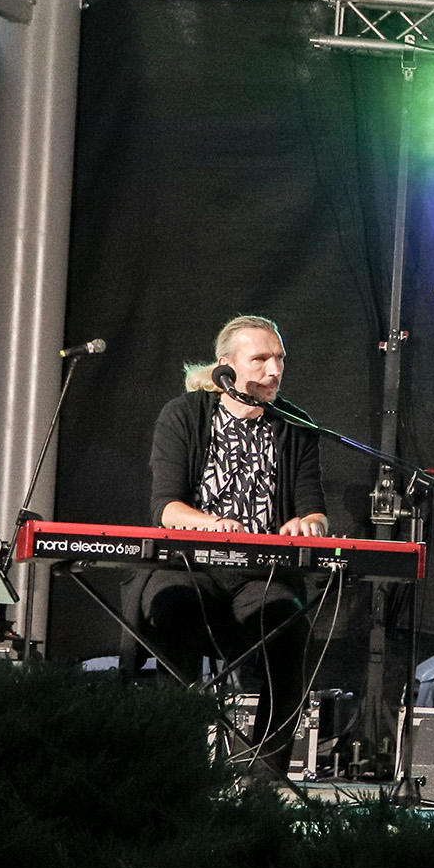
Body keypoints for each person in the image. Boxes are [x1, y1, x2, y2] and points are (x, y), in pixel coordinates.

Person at [139, 314, 329, 779]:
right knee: (175, 607)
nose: (274, 370)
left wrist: (307, 526)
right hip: (189, 564)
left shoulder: (295, 425)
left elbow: (315, 511)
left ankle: (265, 780)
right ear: (226, 366)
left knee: (289, 627)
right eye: (260, 359)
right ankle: (178, 771)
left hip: (260, 574)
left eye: (279, 359)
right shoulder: (183, 415)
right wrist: (213, 524)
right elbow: (166, 508)